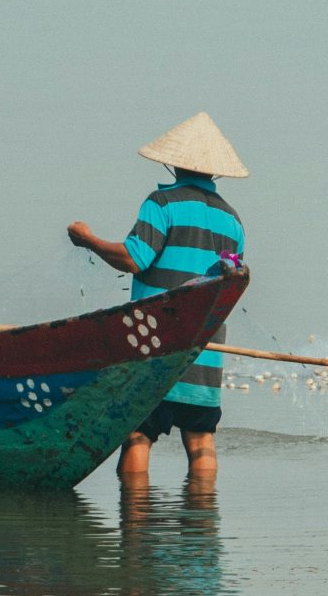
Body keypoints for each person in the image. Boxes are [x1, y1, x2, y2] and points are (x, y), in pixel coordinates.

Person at [66, 112, 248, 482]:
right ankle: (201, 534)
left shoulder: (162, 204)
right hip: (204, 349)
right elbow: (229, 281)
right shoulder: (233, 221)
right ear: (215, 171)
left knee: (137, 435)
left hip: (155, 347)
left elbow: (134, 258)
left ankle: (136, 530)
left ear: (175, 161)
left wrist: (89, 240)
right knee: (201, 441)